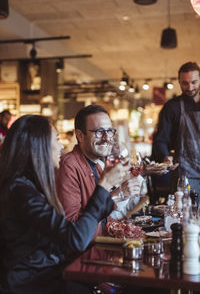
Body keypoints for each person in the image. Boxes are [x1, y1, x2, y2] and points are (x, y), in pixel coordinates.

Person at [0, 114, 127, 294]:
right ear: (39, 147)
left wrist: (105, 192)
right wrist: (103, 186)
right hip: (34, 284)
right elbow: (76, 239)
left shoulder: (29, 185)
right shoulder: (21, 193)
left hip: (50, 275)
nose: (61, 147)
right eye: (57, 140)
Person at [56, 104, 142, 227]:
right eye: (99, 132)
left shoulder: (96, 164)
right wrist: (118, 195)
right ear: (80, 135)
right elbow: (72, 226)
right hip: (91, 245)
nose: (107, 138)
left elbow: (103, 216)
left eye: (109, 131)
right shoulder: (68, 166)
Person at [154, 61, 200, 193]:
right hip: (184, 172)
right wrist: (166, 156)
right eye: (185, 83)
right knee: (185, 211)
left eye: (194, 82)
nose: (190, 87)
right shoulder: (171, 107)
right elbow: (161, 139)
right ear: (179, 82)